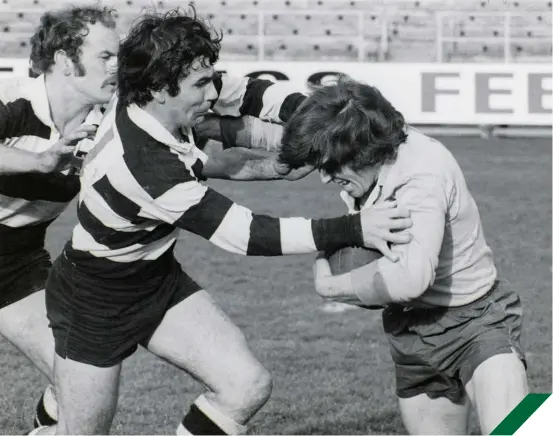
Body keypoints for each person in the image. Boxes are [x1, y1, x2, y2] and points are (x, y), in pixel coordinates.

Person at [34, 10, 412, 436]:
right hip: (93, 298)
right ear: (160, 89)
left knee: (245, 387)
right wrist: (354, 228)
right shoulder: (143, 167)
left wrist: (322, 115)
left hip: (154, 278)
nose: (211, 91)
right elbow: (247, 234)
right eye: (200, 84)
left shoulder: (158, 95)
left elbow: (252, 94)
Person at [277, 76, 529, 435]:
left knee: (521, 431)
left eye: (331, 166)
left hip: (477, 321)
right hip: (411, 330)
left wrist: (332, 287)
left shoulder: (421, 174)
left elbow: (411, 278)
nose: (324, 178)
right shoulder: (369, 153)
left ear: (360, 151)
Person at [0, 4, 119, 429]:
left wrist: (269, 162)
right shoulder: (12, 96)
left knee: (84, 374)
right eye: (106, 56)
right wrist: (42, 161)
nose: (116, 67)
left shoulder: (107, 123)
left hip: (12, 263)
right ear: (66, 61)